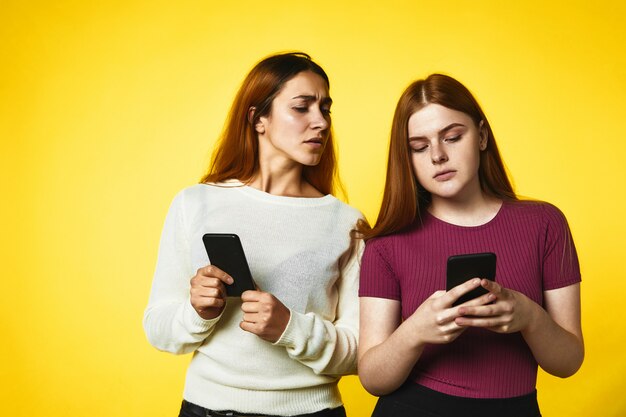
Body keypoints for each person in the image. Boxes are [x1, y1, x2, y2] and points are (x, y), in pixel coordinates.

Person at [143, 52, 363, 417]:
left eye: (325, 109)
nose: (320, 123)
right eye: (302, 107)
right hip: (205, 409)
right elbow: (159, 330)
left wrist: (291, 328)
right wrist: (198, 311)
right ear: (258, 118)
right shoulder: (196, 203)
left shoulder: (346, 223)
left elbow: (359, 352)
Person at [356, 74, 583, 417]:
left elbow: (568, 362)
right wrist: (416, 331)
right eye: (419, 147)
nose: (437, 156)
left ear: (482, 136)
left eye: (452, 137)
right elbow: (372, 378)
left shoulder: (545, 224)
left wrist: (530, 318)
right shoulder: (386, 244)